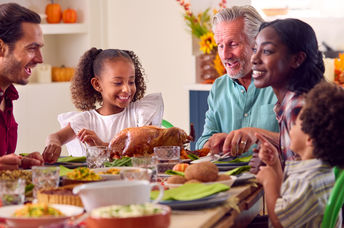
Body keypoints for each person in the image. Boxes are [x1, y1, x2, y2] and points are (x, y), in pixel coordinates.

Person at [43, 48, 164, 162]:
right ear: (97, 84)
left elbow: (144, 151)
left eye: (131, 82)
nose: (127, 89)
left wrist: (103, 146)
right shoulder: (86, 120)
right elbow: (55, 137)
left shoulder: (139, 114)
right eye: (118, 83)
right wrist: (53, 143)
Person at [256, 81, 344, 228]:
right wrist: (275, 165)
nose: (291, 127)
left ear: (310, 139)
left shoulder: (308, 182)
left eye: (296, 124)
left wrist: (269, 182)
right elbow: (285, 202)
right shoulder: (320, 172)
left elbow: (279, 222)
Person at [195, 6, 279, 156]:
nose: (225, 55)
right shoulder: (219, 86)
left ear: (257, 42)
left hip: (274, 177)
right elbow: (203, 141)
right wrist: (214, 144)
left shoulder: (283, 83)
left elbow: (305, 144)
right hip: (229, 178)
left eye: (233, 44)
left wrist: (256, 134)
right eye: (220, 46)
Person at [0, 3, 44, 169]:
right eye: (32, 48)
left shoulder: (8, 95)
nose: (40, 59)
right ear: (1, 47)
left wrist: (20, 161)